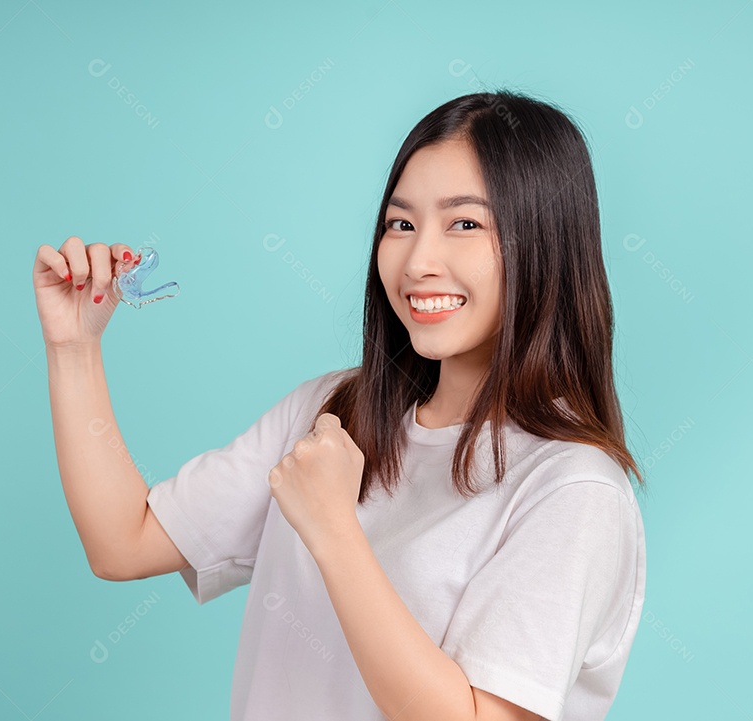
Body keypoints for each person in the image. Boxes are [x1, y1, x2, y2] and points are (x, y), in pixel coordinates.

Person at [32, 89, 647, 721]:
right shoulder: (330, 412)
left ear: (546, 243)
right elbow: (121, 542)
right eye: (400, 224)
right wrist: (74, 348)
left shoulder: (571, 488)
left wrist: (332, 529)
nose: (418, 261)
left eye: (464, 223)